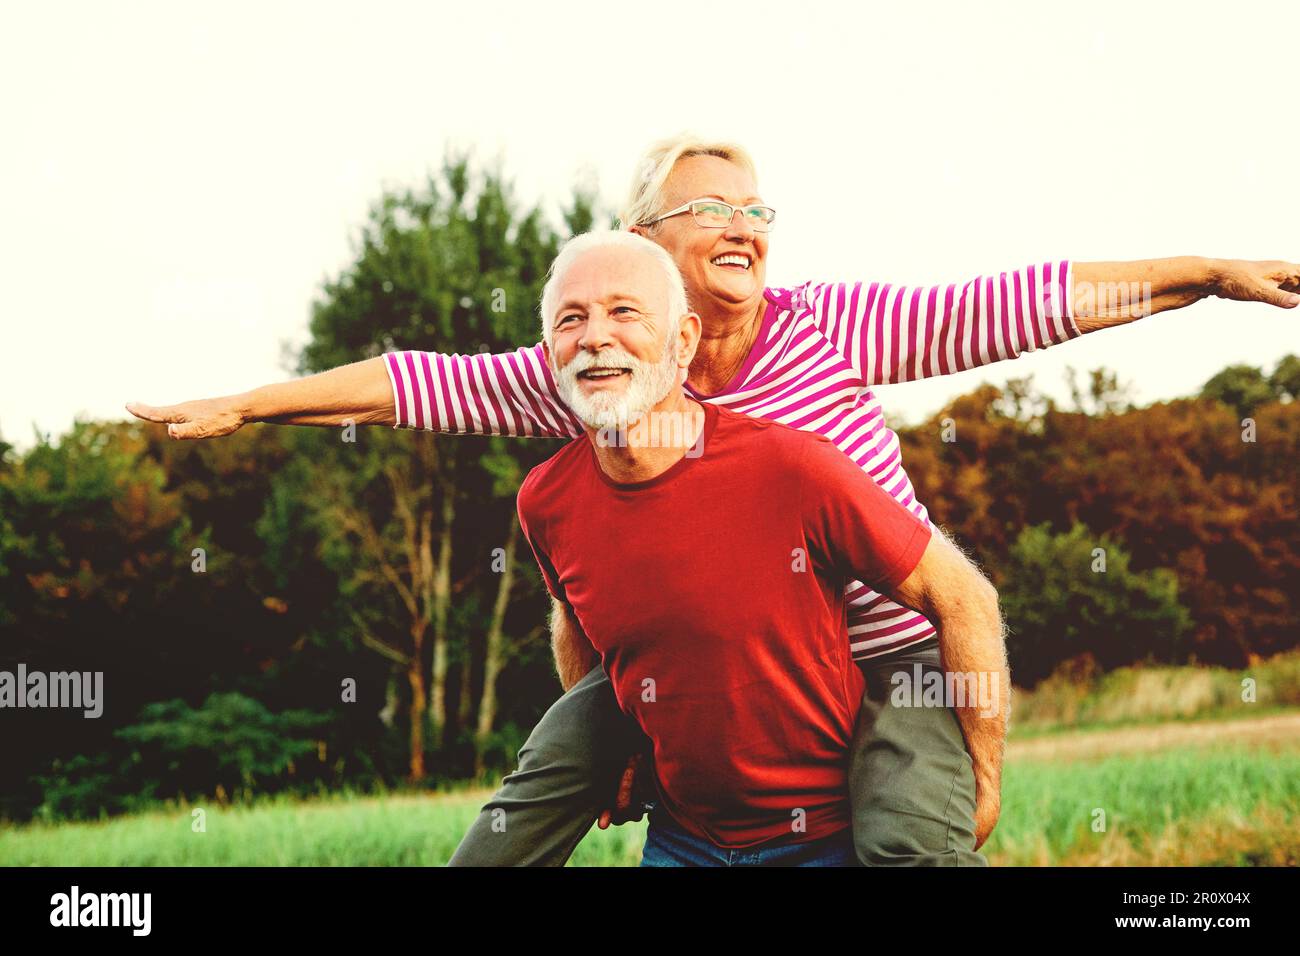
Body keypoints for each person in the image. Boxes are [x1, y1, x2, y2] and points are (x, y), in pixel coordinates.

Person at [126, 134, 1300, 866]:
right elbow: (406, 385)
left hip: (882, 658)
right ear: (642, 240)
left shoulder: (829, 324)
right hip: (696, 659)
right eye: (709, 209)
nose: (744, 225)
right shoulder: (596, 359)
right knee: (534, 787)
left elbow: (1027, 299)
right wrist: (245, 402)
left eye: (756, 210)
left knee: (909, 841)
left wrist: (1204, 277)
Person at [520, 228, 1001, 865]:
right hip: (686, 841)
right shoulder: (546, 500)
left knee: (912, 852)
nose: (594, 336)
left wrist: (984, 772)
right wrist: (616, 750)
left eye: (623, 312)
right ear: (549, 350)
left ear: (683, 340)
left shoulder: (794, 467)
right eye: (570, 319)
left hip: (830, 829)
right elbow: (578, 623)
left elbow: (963, 595)